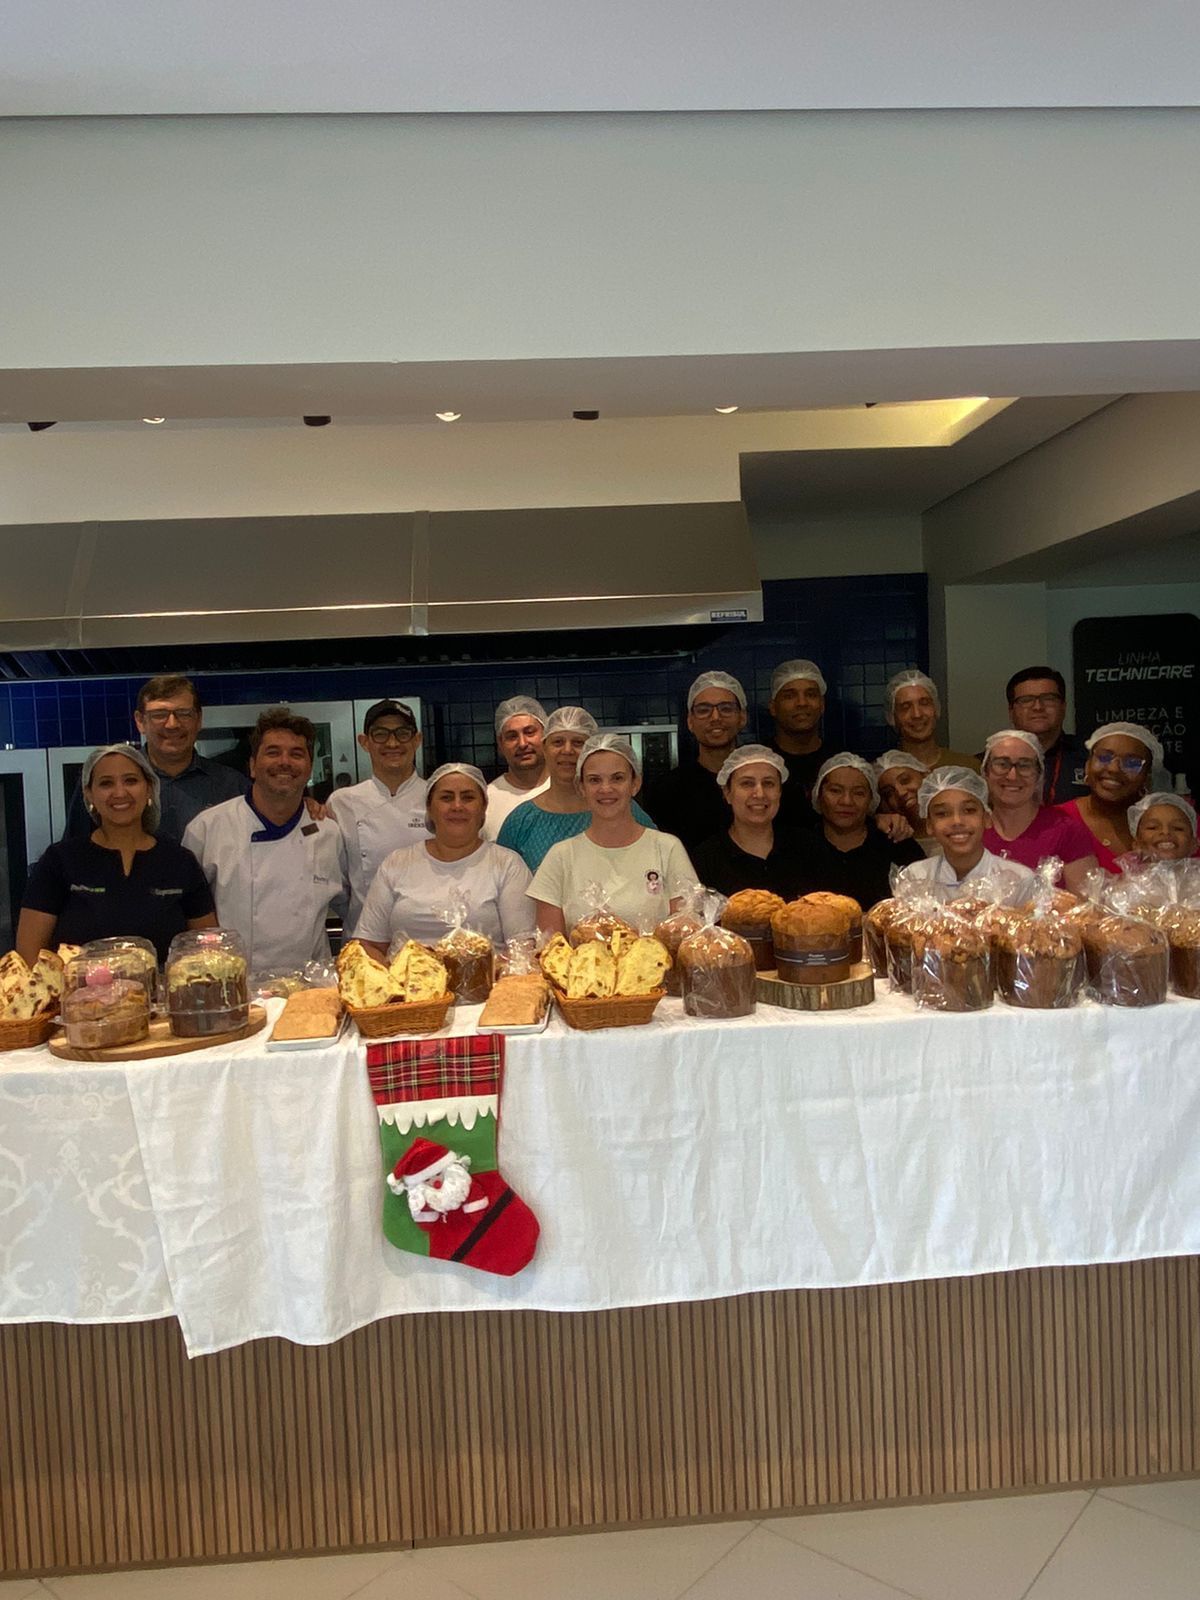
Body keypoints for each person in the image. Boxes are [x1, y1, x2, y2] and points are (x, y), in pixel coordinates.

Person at [18, 743, 216, 965]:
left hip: (164, 998)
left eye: (131, 780)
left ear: (149, 788)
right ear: (89, 794)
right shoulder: (59, 861)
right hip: (78, 999)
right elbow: (28, 956)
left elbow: (209, 951)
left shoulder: (180, 862)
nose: (120, 792)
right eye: (106, 783)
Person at [182, 709, 347, 971]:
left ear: (309, 768)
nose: (285, 762)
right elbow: (189, 917)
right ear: (252, 765)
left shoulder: (328, 833)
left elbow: (348, 904)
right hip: (235, 988)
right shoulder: (207, 828)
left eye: (296, 754)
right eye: (273, 752)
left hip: (309, 991)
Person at [355, 764, 534, 956]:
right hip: (404, 983)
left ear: (483, 808)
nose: (457, 806)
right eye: (446, 798)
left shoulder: (507, 865)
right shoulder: (396, 863)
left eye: (468, 797)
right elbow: (369, 945)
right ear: (429, 808)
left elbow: (523, 950)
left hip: (488, 982)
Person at [529, 734, 695, 934]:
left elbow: (688, 936)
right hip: (584, 966)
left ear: (635, 784)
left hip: (657, 965)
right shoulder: (560, 856)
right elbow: (551, 951)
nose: (605, 789)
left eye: (617, 778)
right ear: (581, 787)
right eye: (594, 780)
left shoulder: (667, 848)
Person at [63, 674, 248, 843]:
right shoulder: (105, 785)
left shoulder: (232, 786)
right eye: (159, 715)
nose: (172, 724)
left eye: (184, 713)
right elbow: (74, 854)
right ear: (140, 722)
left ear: (198, 720)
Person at [497, 706, 656, 872]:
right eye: (558, 742)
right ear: (544, 748)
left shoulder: (623, 810)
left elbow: (655, 865)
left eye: (578, 743)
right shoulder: (521, 821)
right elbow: (500, 881)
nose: (567, 750)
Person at [326, 700, 427, 930]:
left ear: (417, 740)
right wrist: (359, 919)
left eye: (402, 733)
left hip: (428, 938)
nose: (392, 743)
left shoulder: (438, 798)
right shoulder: (342, 802)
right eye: (380, 734)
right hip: (365, 940)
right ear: (364, 742)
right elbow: (335, 882)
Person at [788, 753, 925, 910]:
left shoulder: (896, 844)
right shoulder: (798, 848)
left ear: (871, 801)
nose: (846, 801)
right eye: (835, 791)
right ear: (818, 795)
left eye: (859, 793)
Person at [640, 672, 749, 854]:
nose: (715, 717)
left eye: (726, 708)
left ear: (742, 717)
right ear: (690, 721)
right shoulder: (666, 790)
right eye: (704, 709)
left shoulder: (764, 785)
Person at [980, 729, 1099, 893]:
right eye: (1002, 764)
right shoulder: (971, 830)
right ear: (985, 772)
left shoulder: (1067, 831)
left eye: (1025, 765)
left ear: (1038, 775)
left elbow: (1087, 909)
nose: (1013, 776)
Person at [690, 744, 810, 899]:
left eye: (768, 783)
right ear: (727, 793)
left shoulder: (808, 849)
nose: (759, 794)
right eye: (747, 783)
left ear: (779, 792)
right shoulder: (705, 859)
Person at [901, 767, 1034, 892]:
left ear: (987, 818)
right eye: (942, 813)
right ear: (929, 825)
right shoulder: (915, 877)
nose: (957, 821)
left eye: (969, 810)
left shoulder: (1020, 881)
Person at [1055, 722, 1163, 874]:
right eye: (1104, 757)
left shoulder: (1174, 824)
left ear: (1147, 776)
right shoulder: (1056, 820)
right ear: (1087, 765)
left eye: (1132, 763)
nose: (1113, 768)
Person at [1004, 666, 1088, 805]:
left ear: (1063, 706)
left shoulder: (1091, 757)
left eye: (1048, 698)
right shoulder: (990, 763)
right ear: (1011, 711)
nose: (1038, 707)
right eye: (1026, 700)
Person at [885, 670, 981, 774]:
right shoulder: (883, 774)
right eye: (905, 707)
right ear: (892, 717)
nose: (917, 714)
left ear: (936, 709)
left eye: (924, 703)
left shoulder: (968, 767)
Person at [766, 659, 827, 821]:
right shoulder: (759, 763)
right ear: (773, 707)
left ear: (822, 705)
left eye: (811, 694)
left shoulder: (840, 761)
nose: (802, 703)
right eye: (789, 696)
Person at [482, 696, 550, 840]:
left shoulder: (570, 790)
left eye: (529, 732)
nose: (522, 743)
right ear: (500, 744)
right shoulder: (486, 801)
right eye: (512, 736)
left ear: (546, 735)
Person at [874, 750, 937, 855]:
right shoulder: (893, 844)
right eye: (889, 793)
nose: (900, 793)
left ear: (925, 776)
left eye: (905, 780)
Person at [1125, 792, 1198, 863]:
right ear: (1137, 844)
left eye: (1178, 828)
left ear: (1194, 844)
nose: (1165, 832)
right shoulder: (1126, 875)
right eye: (1152, 827)